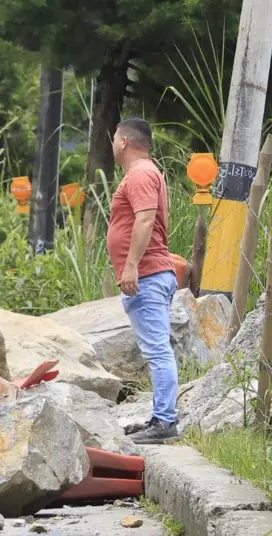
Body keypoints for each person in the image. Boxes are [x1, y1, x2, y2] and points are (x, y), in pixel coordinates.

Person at [107, 117, 179, 444]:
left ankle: (164, 422)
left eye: (114, 139)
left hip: (147, 275)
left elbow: (146, 219)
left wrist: (132, 265)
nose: (113, 145)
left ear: (124, 142)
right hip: (150, 274)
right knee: (156, 349)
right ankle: (160, 417)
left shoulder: (140, 174)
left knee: (157, 351)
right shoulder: (146, 174)